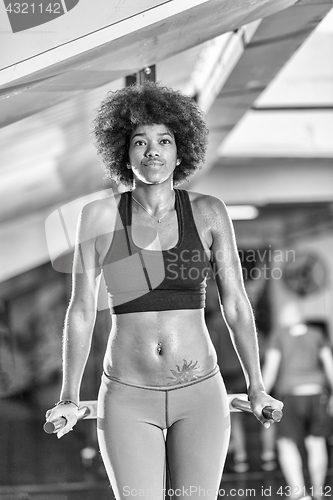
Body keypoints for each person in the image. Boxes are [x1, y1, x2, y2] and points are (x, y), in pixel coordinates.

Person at [46, 82, 282, 500]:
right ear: (125, 152)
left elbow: (237, 305)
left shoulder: (208, 211)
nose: (152, 150)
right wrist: (69, 396)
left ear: (180, 150)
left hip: (200, 395)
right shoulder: (98, 216)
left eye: (164, 141)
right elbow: (81, 310)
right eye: (140, 141)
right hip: (127, 395)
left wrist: (257, 384)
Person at [262, 303, 333, 500]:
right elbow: (329, 364)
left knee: (287, 444)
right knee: (316, 443)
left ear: (287, 316)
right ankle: (318, 493)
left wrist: (260, 395)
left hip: (291, 397)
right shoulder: (316, 334)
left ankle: (298, 493)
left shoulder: (279, 335)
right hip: (316, 394)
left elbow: (271, 367)